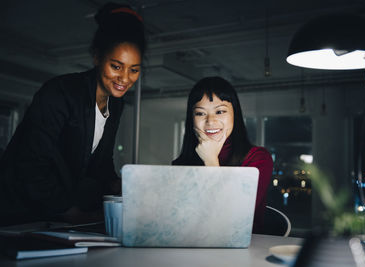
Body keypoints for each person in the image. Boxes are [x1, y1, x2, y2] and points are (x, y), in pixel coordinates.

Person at [0, 2, 145, 226]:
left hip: (55, 215)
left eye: (134, 70)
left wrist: (119, 184)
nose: (125, 78)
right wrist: (70, 212)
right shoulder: (60, 92)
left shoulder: (116, 105)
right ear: (97, 58)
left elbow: (101, 162)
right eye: (116, 66)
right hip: (18, 212)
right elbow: (31, 163)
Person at [172, 76, 273, 234]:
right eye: (200, 113)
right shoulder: (181, 164)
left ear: (235, 114)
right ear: (191, 119)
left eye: (220, 111)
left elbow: (235, 219)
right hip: (191, 246)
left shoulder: (258, 158)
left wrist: (211, 160)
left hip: (242, 250)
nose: (210, 121)